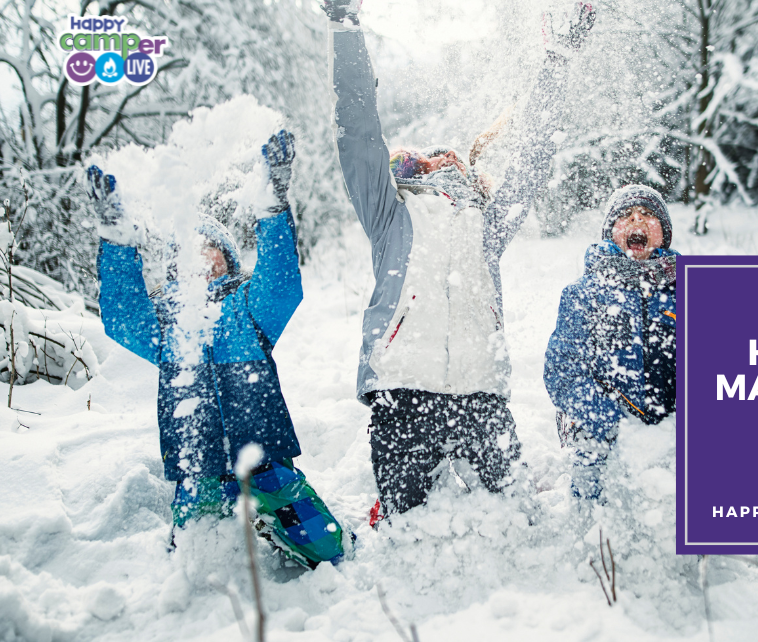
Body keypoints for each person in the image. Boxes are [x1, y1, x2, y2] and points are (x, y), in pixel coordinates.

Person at [323, 0, 597, 518]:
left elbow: (535, 154)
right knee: (410, 532)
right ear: (410, 169)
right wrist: (345, 26)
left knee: (517, 521)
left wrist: (559, 58)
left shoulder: (487, 226)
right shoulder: (390, 214)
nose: (443, 156)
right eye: (428, 155)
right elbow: (359, 130)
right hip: (403, 390)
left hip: (481, 394)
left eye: (452, 154)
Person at [90, 131, 350, 567]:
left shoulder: (248, 306)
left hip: (262, 457)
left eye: (210, 248)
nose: (200, 256)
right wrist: (117, 240)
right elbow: (122, 317)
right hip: (198, 464)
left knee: (327, 549)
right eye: (188, 251)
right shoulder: (165, 320)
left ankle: (275, 525)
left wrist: (272, 210)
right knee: (196, 563)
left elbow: (282, 286)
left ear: (228, 258)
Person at [543, 184, 679, 501]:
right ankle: (593, 529)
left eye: (648, 215)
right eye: (625, 216)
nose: (637, 222)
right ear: (610, 232)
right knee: (601, 511)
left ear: (664, 233)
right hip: (601, 425)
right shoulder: (585, 293)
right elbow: (563, 372)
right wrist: (606, 420)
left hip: (671, 427)